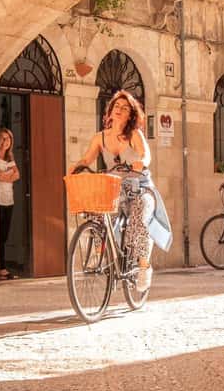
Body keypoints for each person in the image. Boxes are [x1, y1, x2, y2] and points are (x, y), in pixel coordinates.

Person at [70, 90, 171, 293]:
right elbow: (87, 159)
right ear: (110, 110)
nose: (119, 110)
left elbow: (145, 155)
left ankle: (143, 267)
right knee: (99, 217)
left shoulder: (134, 134)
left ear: (131, 114)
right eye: (117, 106)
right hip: (114, 189)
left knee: (138, 221)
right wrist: (77, 167)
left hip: (140, 188)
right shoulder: (100, 138)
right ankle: (103, 255)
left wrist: (140, 163)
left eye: (125, 108)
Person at [0, 127, 19, 280]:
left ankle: (1, 267)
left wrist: (4, 176)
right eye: (3, 138)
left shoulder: (9, 158)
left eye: (8, 139)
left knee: (4, 236)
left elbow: (17, 175)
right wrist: (7, 175)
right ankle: (1, 268)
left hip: (8, 200)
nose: (5, 141)